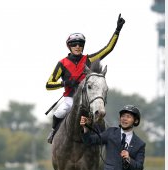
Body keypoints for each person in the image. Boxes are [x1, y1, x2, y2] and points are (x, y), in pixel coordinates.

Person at [45, 14, 126, 144]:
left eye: (80, 44)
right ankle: (54, 132)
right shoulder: (62, 63)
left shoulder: (88, 59)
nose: (77, 46)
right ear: (69, 46)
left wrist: (117, 31)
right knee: (59, 113)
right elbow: (48, 85)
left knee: (99, 116)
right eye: (74, 44)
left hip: (87, 99)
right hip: (69, 99)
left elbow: (108, 49)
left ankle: (103, 140)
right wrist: (65, 83)